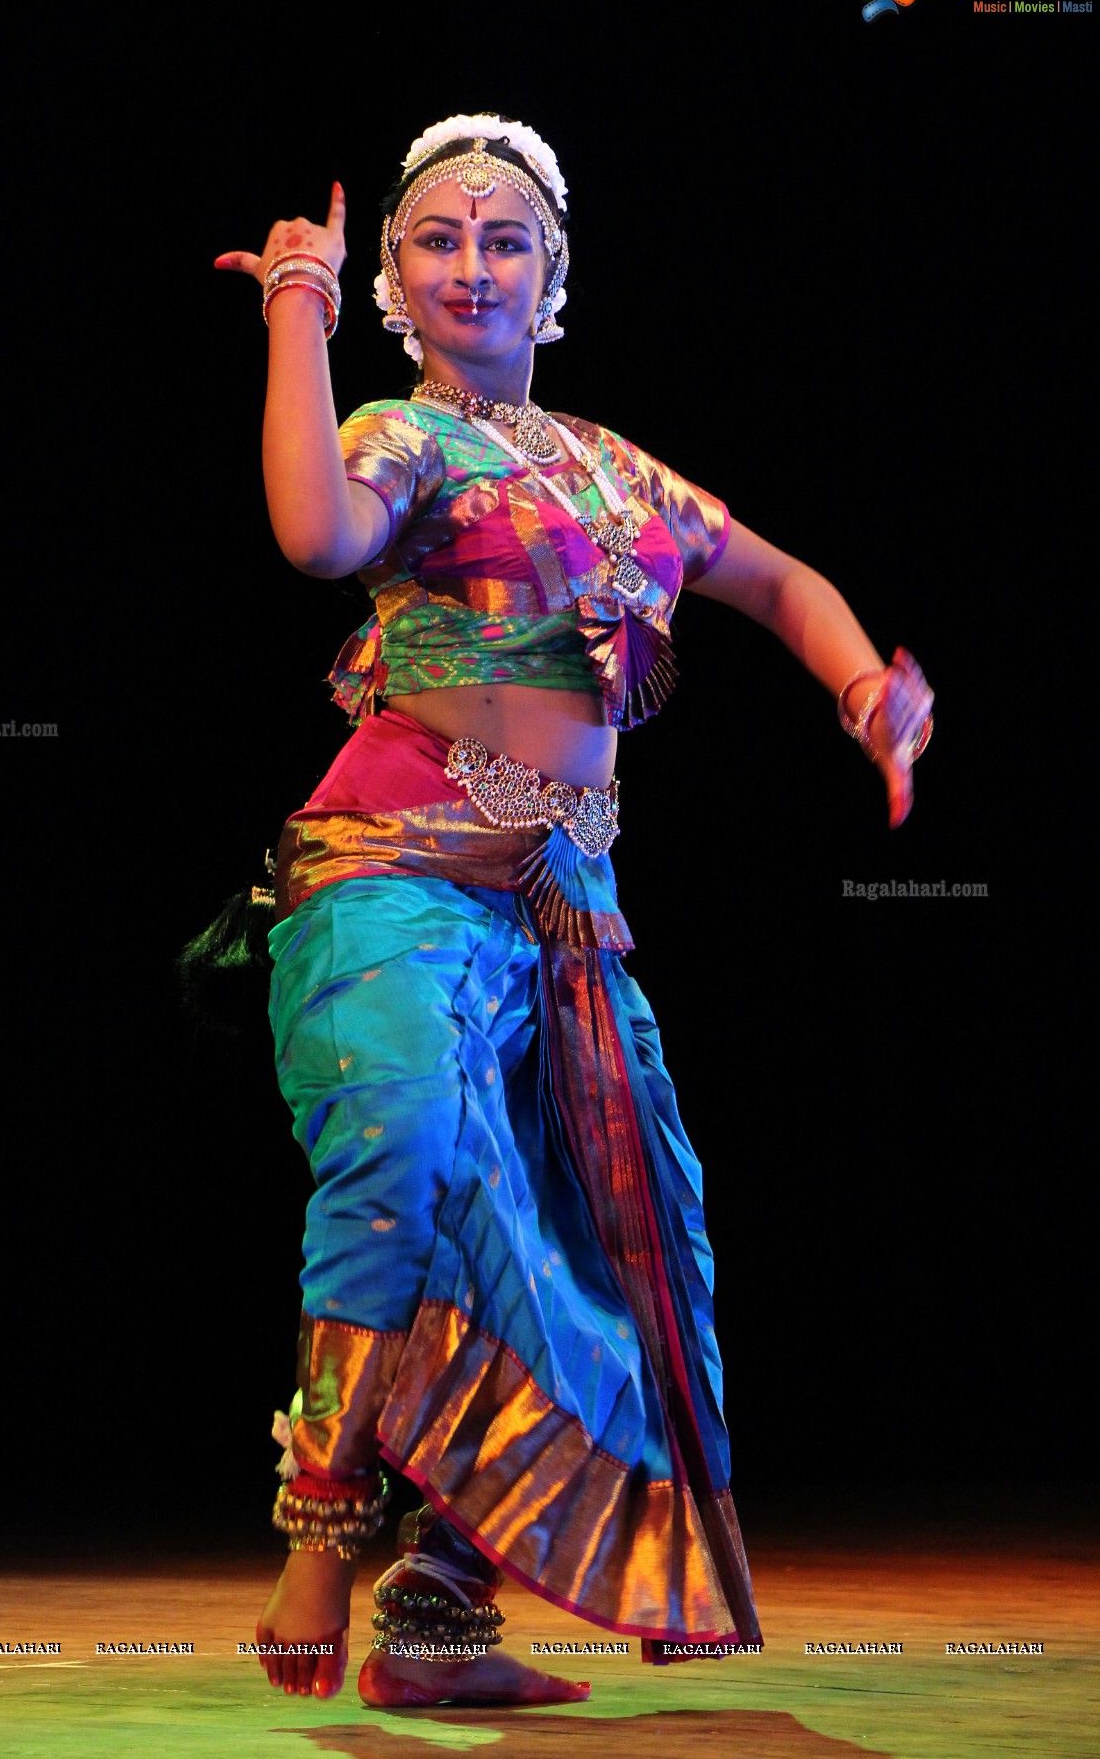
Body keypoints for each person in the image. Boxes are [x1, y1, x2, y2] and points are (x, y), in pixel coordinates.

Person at [213, 112, 933, 1711]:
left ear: (553, 275)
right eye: (437, 240)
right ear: (396, 281)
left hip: (562, 914)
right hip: (394, 870)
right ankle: (323, 1529)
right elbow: (313, 531)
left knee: (597, 1274)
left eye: (506, 239)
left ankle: (441, 1628)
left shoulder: (612, 469)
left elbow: (772, 579)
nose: (474, 264)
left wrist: (867, 682)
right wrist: (295, 305)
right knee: (397, 1152)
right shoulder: (402, 437)